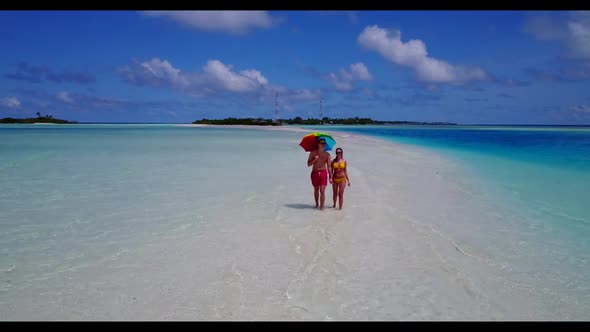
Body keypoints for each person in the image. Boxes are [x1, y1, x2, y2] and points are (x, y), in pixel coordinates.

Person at [307, 138, 332, 210]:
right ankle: (317, 205)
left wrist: (330, 176)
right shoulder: (312, 153)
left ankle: (322, 208)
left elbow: (329, 167)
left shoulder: (327, 155)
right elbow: (308, 164)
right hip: (314, 173)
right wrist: (314, 159)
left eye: (324, 143)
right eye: (322, 143)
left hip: (323, 173)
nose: (323, 145)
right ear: (318, 144)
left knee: (322, 190)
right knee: (316, 190)